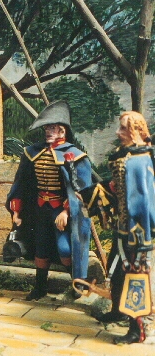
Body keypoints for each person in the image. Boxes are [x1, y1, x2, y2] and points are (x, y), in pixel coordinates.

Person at [6, 100, 93, 301]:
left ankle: (77, 284)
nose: (48, 132)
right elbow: (22, 183)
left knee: (64, 248)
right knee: (41, 247)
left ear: (62, 131)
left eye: (52, 128)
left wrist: (66, 211)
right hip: (39, 209)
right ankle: (40, 287)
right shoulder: (33, 152)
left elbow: (81, 190)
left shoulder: (75, 156)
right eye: (46, 128)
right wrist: (17, 211)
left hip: (60, 211)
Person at [98, 111, 154, 344]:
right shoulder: (128, 155)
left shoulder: (139, 160)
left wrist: (140, 236)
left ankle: (137, 330)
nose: (118, 132)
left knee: (135, 276)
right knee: (117, 271)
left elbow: (142, 201)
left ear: (135, 131)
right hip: (123, 226)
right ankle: (118, 310)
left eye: (122, 128)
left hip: (136, 231)